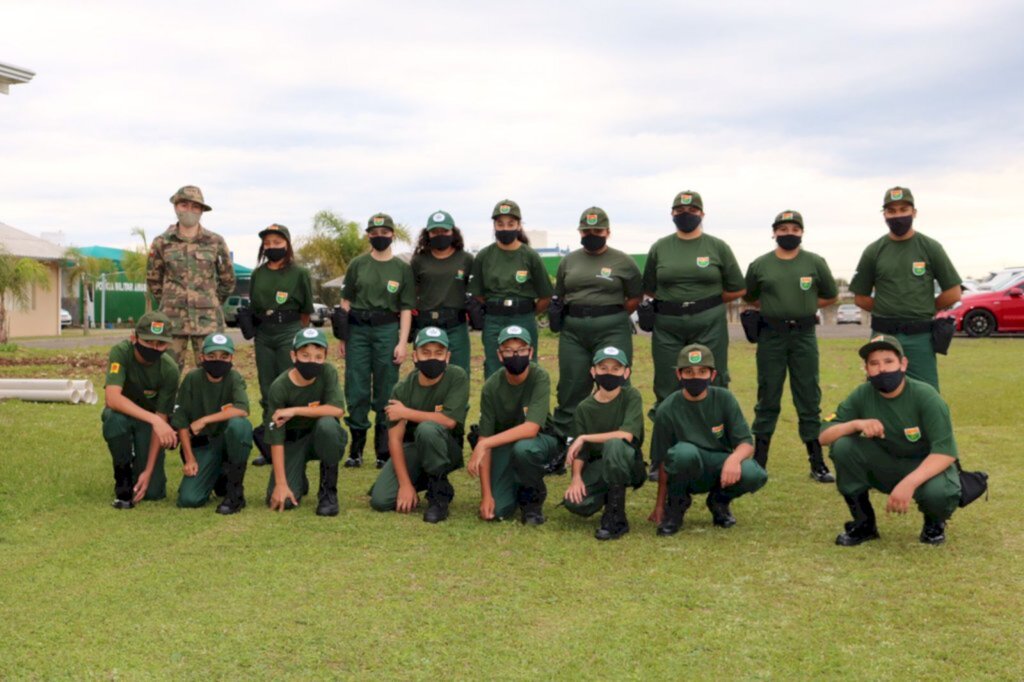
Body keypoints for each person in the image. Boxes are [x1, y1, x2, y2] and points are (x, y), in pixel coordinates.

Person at [820, 334, 961, 546]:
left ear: (903, 364)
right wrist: (856, 424)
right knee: (843, 446)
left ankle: (934, 525)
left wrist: (909, 483)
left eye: (888, 361)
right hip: (886, 462)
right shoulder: (862, 394)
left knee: (939, 492)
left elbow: (946, 452)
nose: (882, 369)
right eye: (874, 364)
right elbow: (823, 436)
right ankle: (863, 524)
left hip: (923, 465)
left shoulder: (926, 396)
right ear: (867, 369)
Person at [743, 210, 838, 482]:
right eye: (782, 229)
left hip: (804, 336)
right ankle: (759, 461)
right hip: (771, 336)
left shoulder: (815, 262)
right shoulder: (760, 264)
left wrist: (803, 307)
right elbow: (751, 296)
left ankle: (816, 462)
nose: (788, 234)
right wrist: (776, 310)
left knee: (808, 396)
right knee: (768, 395)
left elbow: (829, 295)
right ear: (774, 232)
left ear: (802, 233)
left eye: (794, 229)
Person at [643, 190, 746, 419]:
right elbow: (649, 287)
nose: (685, 214)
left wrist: (706, 302)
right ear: (672, 214)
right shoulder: (660, 247)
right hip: (668, 324)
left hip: (708, 322)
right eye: (680, 210)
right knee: (667, 379)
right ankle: (668, 439)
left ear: (702, 213)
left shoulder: (717, 247)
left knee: (711, 376)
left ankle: (715, 433)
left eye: (692, 210)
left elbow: (738, 287)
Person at [850, 187, 961, 391]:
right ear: (884, 214)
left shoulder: (930, 247)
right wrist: (888, 309)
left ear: (914, 212)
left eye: (903, 209)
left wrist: (924, 307)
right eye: (891, 211)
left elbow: (953, 292)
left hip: (920, 337)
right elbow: (860, 297)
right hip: (884, 334)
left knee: (926, 393)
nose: (898, 215)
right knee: (880, 391)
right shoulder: (874, 250)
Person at [648, 344, 766, 536]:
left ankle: (719, 501)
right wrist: (659, 505)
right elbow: (662, 460)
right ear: (679, 375)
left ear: (712, 375)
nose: (696, 377)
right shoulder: (667, 409)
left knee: (754, 473)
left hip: (720, 467)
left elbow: (745, 442)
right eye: (689, 372)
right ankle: (676, 507)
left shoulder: (724, 398)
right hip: (686, 469)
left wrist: (734, 459)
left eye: (702, 371)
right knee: (683, 453)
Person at [550, 207, 642, 443]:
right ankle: (564, 442)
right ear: (579, 232)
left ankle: (620, 441)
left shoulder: (623, 261)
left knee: (615, 383)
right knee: (571, 385)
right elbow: (560, 294)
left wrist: (610, 315)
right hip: (574, 329)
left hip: (611, 328)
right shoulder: (568, 261)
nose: (592, 234)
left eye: (597, 230)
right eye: (586, 230)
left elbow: (634, 297)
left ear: (608, 232)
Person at [369, 327, 470, 523]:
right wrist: (405, 485)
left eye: (439, 353)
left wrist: (406, 412)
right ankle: (421, 482)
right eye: (426, 352)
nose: (432, 358)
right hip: (414, 447)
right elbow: (395, 440)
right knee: (380, 501)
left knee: (428, 428)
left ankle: (438, 495)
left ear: (447, 356)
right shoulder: (402, 388)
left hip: (447, 448)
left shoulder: (457, 376)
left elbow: (449, 421)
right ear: (415, 356)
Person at [339, 213, 415, 469]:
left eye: (384, 232)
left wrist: (402, 342)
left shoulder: (402, 269)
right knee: (356, 387)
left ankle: (383, 450)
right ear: (368, 235)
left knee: (386, 389)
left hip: (387, 330)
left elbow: (406, 308)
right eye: (374, 232)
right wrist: (343, 335)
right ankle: (356, 449)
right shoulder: (357, 264)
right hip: (358, 330)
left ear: (393, 234)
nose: (379, 237)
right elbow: (346, 302)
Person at [467, 325, 560, 524]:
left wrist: (484, 444)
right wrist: (486, 495)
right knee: (497, 511)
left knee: (524, 449)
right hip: (503, 444)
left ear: (531, 352)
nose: (515, 355)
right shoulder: (491, 386)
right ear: (500, 355)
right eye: (508, 350)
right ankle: (514, 486)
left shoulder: (539, 377)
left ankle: (532, 500)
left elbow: (531, 428)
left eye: (521, 349)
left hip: (539, 441)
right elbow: (485, 439)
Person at [146, 185, 236, 372]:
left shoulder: (215, 242)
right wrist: (170, 301)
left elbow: (227, 279)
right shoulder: (161, 242)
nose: (189, 210)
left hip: (207, 321)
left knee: (212, 372)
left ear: (202, 211)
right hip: (172, 320)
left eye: (195, 207)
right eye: (184, 205)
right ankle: (170, 403)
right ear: (176, 207)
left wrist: (210, 301)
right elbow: (154, 279)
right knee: (167, 372)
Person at [247, 224, 314, 466]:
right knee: (267, 389)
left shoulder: (300, 273)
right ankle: (270, 442)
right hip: (264, 334)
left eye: (277, 242)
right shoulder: (258, 274)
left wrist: (298, 336)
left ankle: (294, 443)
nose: (272, 247)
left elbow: (306, 310)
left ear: (287, 244)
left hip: (289, 329)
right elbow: (255, 306)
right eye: (268, 243)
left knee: (289, 386)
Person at [562, 346, 646, 541]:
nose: (609, 373)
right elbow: (580, 452)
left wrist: (585, 437)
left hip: (628, 462)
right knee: (575, 503)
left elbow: (626, 435)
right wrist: (576, 477)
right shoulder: (584, 407)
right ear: (593, 371)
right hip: (598, 463)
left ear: (626, 372)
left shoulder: (631, 396)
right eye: (603, 368)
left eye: (615, 369)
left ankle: (616, 517)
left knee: (614, 445)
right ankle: (606, 496)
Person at [265, 327, 348, 516]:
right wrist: (280, 484)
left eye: (318, 356)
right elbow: (276, 438)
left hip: (321, 437)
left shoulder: (328, 372)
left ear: (325, 357)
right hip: (292, 441)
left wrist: (294, 410)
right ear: (293, 356)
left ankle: (328, 493)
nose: (312, 361)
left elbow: (337, 409)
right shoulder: (279, 387)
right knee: (283, 500)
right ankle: (298, 479)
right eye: (305, 355)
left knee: (328, 424)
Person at [101, 312, 179, 508]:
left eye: (160, 344)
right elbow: (112, 398)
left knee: (153, 492)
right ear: (134, 337)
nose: (154, 348)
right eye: (148, 342)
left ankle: (140, 465)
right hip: (124, 416)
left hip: (149, 427)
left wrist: (149, 471)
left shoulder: (169, 370)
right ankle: (123, 479)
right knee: (112, 418)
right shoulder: (120, 353)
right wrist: (155, 420)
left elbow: (161, 419)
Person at [469, 199, 553, 378]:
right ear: (494, 226)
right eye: (500, 224)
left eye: (510, 224)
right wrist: (497, 306)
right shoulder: (484, 256)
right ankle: (494, 406)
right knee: (494, 365)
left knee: (526, 365)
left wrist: (527, 312)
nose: (505, 228)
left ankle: (527, 405)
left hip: (523, 317)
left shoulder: (530, 256)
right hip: (494, 320)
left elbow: (545, 295)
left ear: (519, 225)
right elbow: (477, 293)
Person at [172, 333, 253, 513]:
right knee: (189, 499)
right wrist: (190, 459)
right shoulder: (192, 379)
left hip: (226, 442)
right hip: (203, 446)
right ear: (202, 358)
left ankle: (235, 492)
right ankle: (217, 475)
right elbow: (181, 421)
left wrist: (205, 419)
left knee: (240, 426)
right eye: (212, 356)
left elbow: (242, 409)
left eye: (224, 357)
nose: (218, 361)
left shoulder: (234, 378)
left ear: (231, 358)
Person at [410, 211, 475, 374]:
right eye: (435, 232)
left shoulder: (466, 259)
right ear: (427, 234)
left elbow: (474, 291)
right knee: (425, 374)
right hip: (425, 324)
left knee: (458, 373)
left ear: (453, 232)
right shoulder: (419, 260)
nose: (440, 235)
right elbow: (411, 292)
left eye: (444, 231)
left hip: (455, 326)